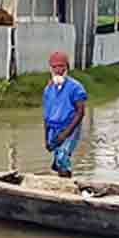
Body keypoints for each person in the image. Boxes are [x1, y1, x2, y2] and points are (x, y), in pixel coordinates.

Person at [43, 50, 87, 178]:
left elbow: (80, 112)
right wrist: (46, 138)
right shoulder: (48, 89)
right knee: (59, 158)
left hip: (70, 127)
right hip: (53, 128)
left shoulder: (76, 87)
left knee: (63, 155)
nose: (58, 70)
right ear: (51, 69)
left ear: (67, 67)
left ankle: (67, 185)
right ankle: (61, 177)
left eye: (61, 66)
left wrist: (66, 133)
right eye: (55, 67)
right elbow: (46, 115)